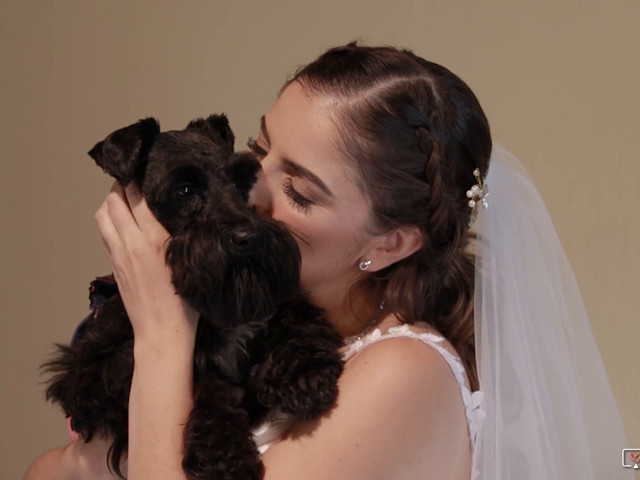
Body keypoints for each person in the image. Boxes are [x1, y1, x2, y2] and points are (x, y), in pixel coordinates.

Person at [25, 43, 630, 480]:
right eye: (260, 149)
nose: (251, 192)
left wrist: (160, 330)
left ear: (391, 243)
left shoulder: (404, 373)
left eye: (301, 191)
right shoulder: (255, 330)